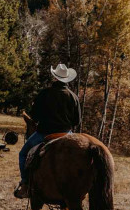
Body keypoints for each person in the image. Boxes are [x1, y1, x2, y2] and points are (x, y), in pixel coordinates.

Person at [14, 64, 81, 199]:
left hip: (45, 133)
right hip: (66, 134)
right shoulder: (73, 97)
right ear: (67, 79)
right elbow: (77, 121)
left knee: (23, 154)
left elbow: (34, 116)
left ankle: (26, 184)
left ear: (55, 77)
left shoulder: (45, 94)